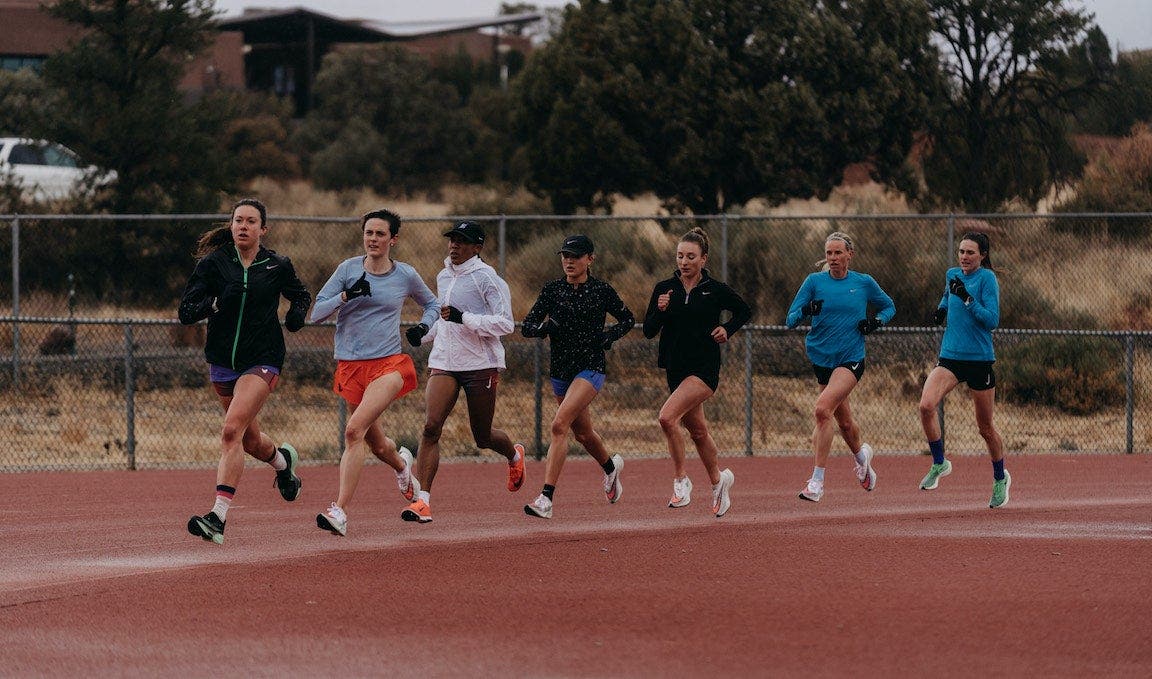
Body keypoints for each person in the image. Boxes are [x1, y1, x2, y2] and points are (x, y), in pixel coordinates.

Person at [178, 198, 312, 544]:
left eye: (251, 221)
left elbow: (300, 295)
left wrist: (296, 316)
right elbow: (186, 310)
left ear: (262, 229)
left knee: (230, 431)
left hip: (262, 359)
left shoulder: (277, 264)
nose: (243, 226)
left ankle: (217, 518)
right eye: (238, 220)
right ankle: (283, 464)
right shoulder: (214, 264)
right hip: (222, 362)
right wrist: (216, 302)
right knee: (249, 441)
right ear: (231, 225)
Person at [310, 209, 441, 536]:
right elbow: (316, 313)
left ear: (393, 239)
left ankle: (338, 510)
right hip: (351, 366)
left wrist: (424, 327)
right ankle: (401, 466)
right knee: (378, 443)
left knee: (353, 431)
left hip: (388, 365)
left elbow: (434, 305)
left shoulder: (405, 275)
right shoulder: (347, 269)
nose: (373, 239)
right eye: (369, 233)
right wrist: (345, 296)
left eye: (381, 234)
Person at [402, 220, 525, 523]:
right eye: (452, 240)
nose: (454, 246)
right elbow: (445, 319)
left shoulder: (488, 279)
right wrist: (424, 332)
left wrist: (465, 318)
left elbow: (505, 323)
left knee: (482, 436)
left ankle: (513, 456)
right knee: (431, 427)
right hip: (445, 361)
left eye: (462, 241)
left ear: (477, 247)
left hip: (479, 364)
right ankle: (423, 502)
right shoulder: (444, 276)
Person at [521, 235, 635, 519]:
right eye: (565, 256)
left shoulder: (601, 291)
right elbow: (527, 326)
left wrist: (608, 336)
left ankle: (546, 499)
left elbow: (628, 319)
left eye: (575, 256)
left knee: (559, 425)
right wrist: (547, 327)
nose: (569, 261)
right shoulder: (552, 290)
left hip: (591, 367)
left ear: (589, 259)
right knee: (582, 433)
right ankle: (611, 468)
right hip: (561, 370)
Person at [642, 226, 751, 518]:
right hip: (675, 368)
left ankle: (681, 480)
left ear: (703, 259)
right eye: (680, 256)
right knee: (698, 431)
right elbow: (650, 330)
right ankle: (719, 482)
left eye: (691, 256)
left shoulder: (714, 290)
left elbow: (744, 310)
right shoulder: (664, 289)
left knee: (667, 418)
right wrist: (660, 310)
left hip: (704, 369)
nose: (684, 262)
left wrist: (727, 329)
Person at [786, 231, 895, 503]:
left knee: (822, 411)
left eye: (838, 253)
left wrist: (876, 322)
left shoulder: (863, 282)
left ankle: (817, 482)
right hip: (822, 359)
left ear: (849, 254)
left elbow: (888, 306)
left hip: (851, 358)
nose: (833, 258)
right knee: (843, 422)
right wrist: (807, 310)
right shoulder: (814, 282)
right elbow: (790, 320)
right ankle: (862, 459)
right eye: (828, 253)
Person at [918, 231, 1009, 508]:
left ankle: (999, 479)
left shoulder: (987, 279)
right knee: (926, 406)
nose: (964, 257)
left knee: (985, 428)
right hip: (951, 357)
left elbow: (991, 320)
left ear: (982, 255)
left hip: (979, 360)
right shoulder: (951, 274)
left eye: (970, 252)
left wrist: (968, 300)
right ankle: (939, 462)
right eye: (961, 252)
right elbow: (948, 296)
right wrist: (941, 309)